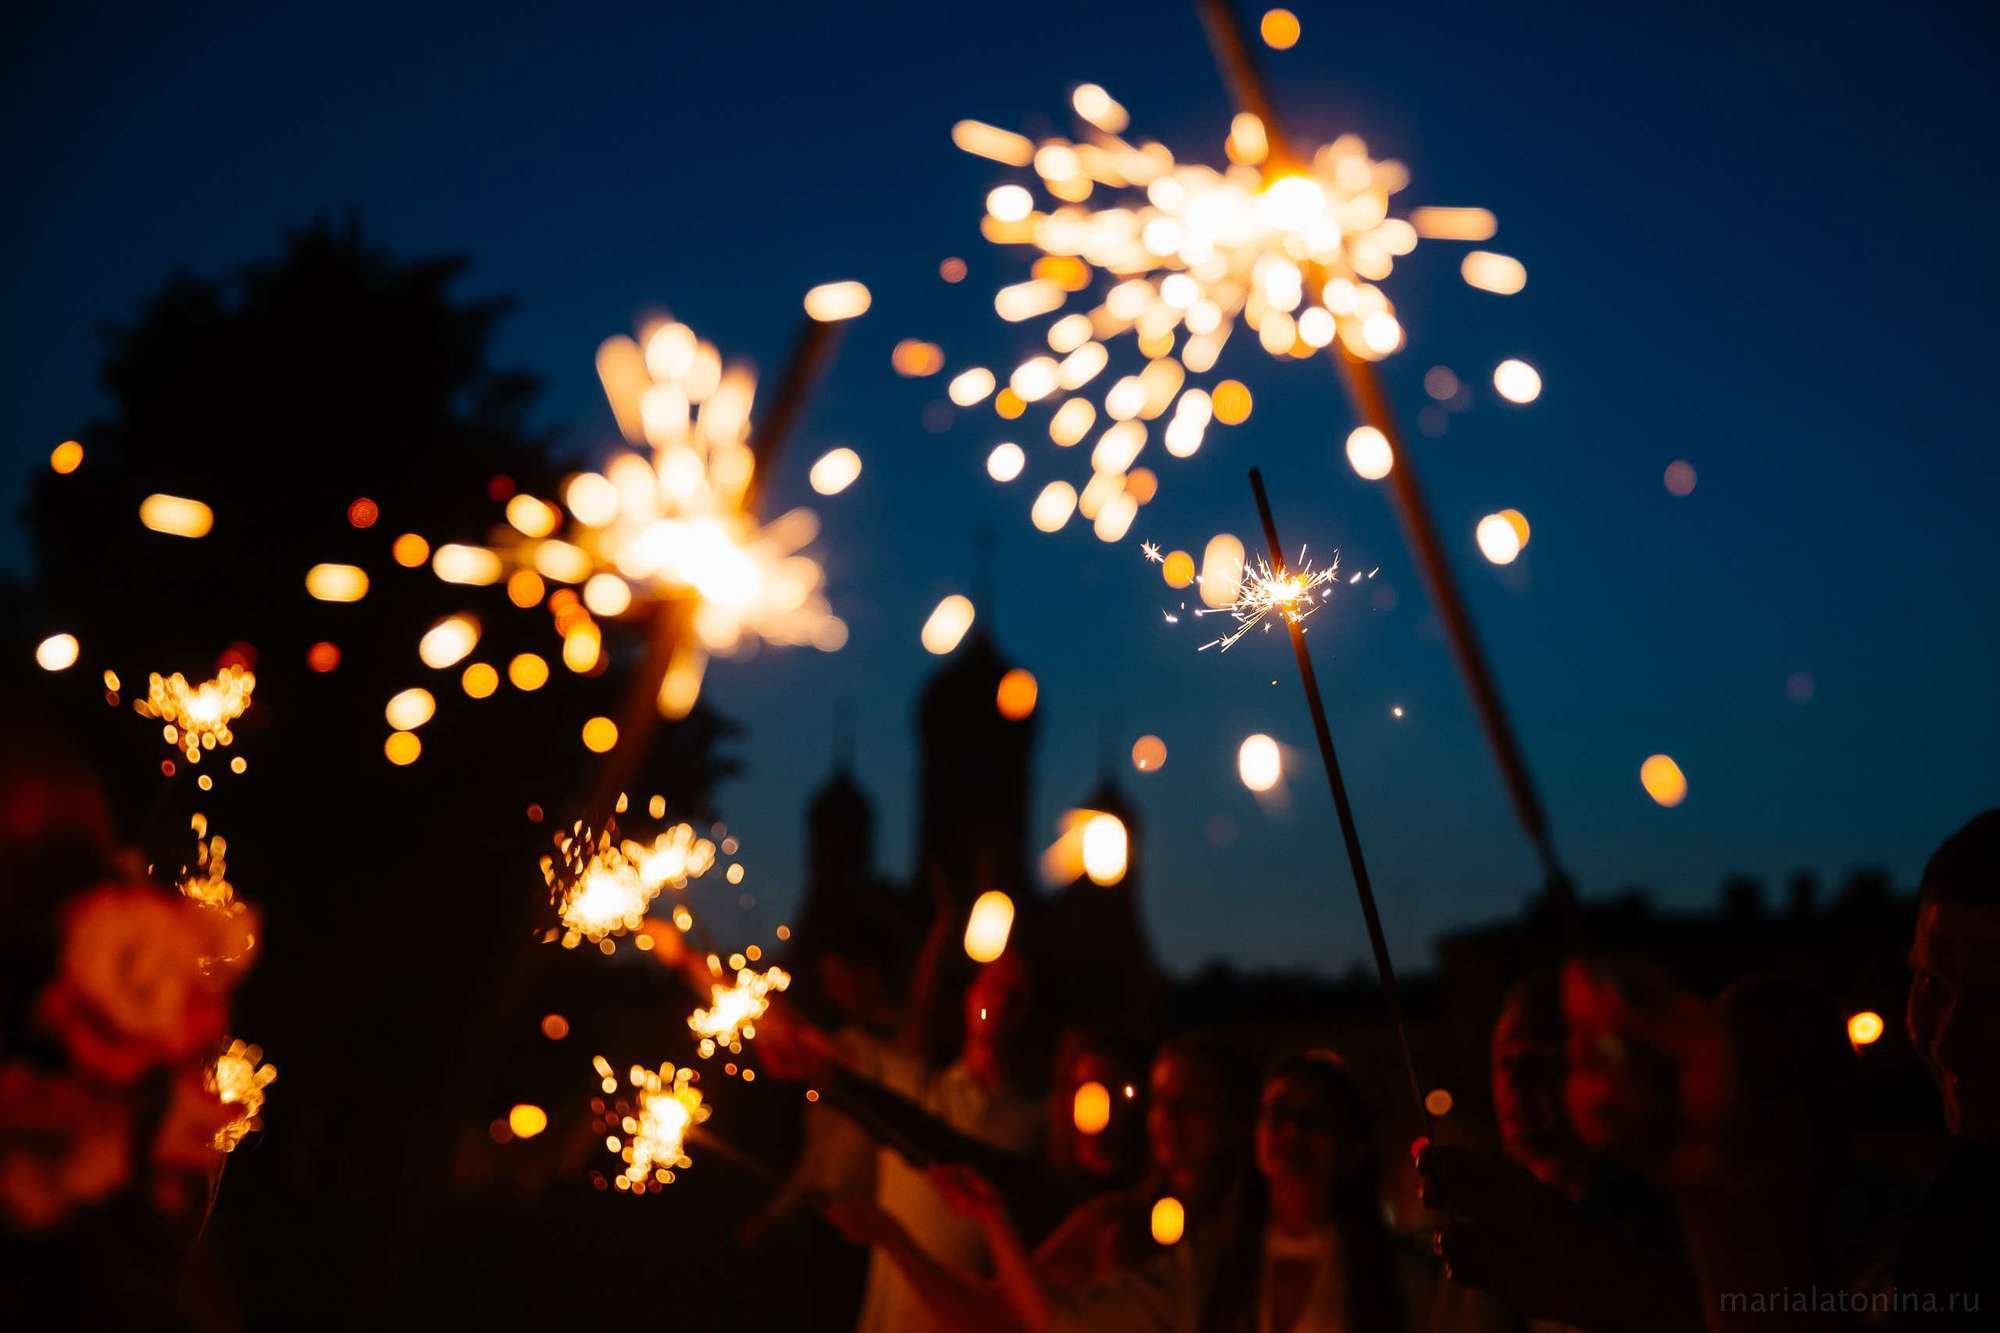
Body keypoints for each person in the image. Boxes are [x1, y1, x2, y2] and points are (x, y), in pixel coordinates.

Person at [822, 1035, 1260, 1330]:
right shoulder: (1107, 1217)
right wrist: (894, 1238)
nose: (1168, 1118)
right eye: (1163, 1101)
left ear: (1236, 1120)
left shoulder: (1252, 1240)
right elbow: (996, 1313)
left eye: (1191, 1105)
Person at [1047, 1050, 1432, 1333]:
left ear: (1352, 1148)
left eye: (1312, 1119)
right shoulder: (1213, 1263)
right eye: (1277, 1115)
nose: (1290, 1133)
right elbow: (1071, 1319)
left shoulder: (1400, 1278)